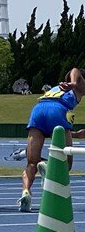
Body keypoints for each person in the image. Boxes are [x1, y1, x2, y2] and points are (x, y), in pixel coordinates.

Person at [19, 68, 85, 212]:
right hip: (57, 110)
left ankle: (26, 192)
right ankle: (48, 167)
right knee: (66, 163)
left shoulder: (57, 89)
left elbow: (53, 132)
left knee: (31, 162)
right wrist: (74, 83)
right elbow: (75, 70)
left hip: (38, 110)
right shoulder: (78, 85)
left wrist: (75, 134)